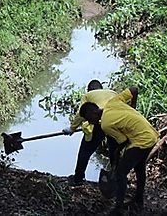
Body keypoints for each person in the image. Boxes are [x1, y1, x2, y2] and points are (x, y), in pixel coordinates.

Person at [79, 87, 158, 215]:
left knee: (120, 174)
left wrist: (117, 153)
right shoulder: (113, 102)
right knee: (139, 168)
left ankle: (118, 208)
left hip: (141, 140)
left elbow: (123, 140)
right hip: (151, 134)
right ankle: (138, 200)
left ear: (92, 113)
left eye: (88, 119)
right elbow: (134, 90)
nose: (89, 122)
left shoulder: (105, 124)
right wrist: (133, 107)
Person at [62, 79, 130, 185]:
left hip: (98, 122)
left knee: (85, 152)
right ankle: (117, 178)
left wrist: (72, 128)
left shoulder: (89, 94)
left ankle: (78, 178)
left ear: (91, 89)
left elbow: (81, 113)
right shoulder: (113, 93)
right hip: (114, 122)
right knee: (114, 152)